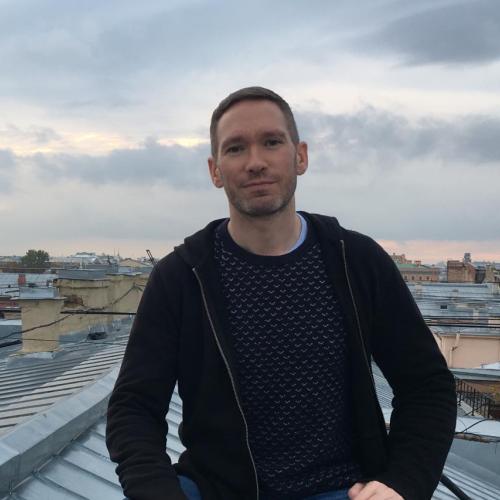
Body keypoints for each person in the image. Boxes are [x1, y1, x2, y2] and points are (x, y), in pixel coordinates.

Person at [106, 87, 457, 500]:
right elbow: (134, 409)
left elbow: (427, 386)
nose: (256, 162)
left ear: (300, 156)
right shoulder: (182, 277)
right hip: (217, 490)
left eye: (272, 142)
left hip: (342, 488)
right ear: (215, 170)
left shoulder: (356, 261)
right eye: (235, 148)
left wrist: (403, 484)